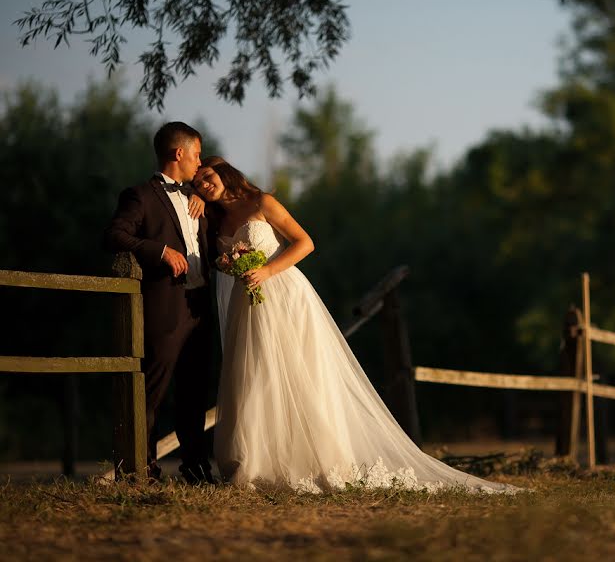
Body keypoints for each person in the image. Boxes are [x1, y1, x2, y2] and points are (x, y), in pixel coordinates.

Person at [194, 156, 520, 493]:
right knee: (253, 376)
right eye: (198, 184)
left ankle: (312, 459)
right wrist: (228, 259)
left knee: (298, 374)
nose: (205, 185)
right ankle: (257, 460)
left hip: (283, 295)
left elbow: (305, 242)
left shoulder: (262, 202)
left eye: (207, 177)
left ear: (223, 172)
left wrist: (267, 271)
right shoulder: (214, 218)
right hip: (246, 305)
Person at [103, 122, 217, 485]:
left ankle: (196, 468)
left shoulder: (195, 195)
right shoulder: (140, 196)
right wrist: (160, 251)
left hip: (199, 307)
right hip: (164, 308)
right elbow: (114, 235)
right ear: (178, 153)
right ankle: (140, 468)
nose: (200, 163)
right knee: (151, 392)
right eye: (197, 155)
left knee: (194, 393)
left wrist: (202, 196)